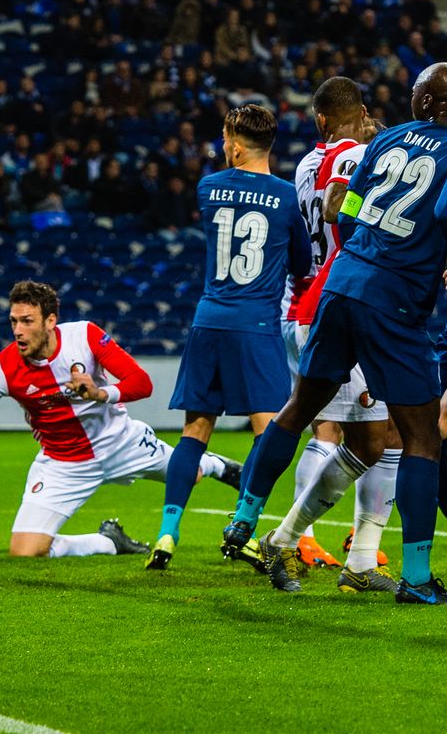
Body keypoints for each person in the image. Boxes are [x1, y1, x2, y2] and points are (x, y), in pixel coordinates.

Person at [224, 63, 447, 605]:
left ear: (421, 102)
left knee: (301, 408)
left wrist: (366, 247)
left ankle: (246, 517)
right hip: (392, 297)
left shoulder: (387, 138)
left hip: (338, 284)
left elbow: (341, 210)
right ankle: (416, 578)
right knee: (420, 437)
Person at [0, 281, 242, 559]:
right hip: (64, 464)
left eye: (27, 321)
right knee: (25, 550)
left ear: (50, 321)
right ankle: (109, 542)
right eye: (13, 321)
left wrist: (102, 393)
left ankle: (213, 464)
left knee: (190, 474)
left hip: (121, 441)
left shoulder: (85, 336)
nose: (18, 331)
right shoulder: (4, 368)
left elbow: (142, 383)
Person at [147, 104, 311, 570]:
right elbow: (301, 266)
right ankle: (243, 523)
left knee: (195, 431)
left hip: (208, 321)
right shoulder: (284, 198)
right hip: (256, 326)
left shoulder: (208, 188)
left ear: (235, 145)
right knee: (270, 430)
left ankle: (167, 532)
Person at [277, 77, 399, 587]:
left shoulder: (306, 163)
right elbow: (339, 207)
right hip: (341, 303)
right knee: (365, 436)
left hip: (306, 300)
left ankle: (359, 559)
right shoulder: (352, 157)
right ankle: (284, 538)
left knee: (376, 431)